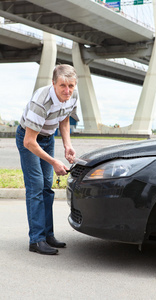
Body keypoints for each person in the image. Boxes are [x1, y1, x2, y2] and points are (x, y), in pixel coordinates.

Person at [16, 64, 78, 255]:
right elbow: (29, 141)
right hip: (29, 140)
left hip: (48, 137)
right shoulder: (41, 102)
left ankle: (48, 235)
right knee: (35, 186)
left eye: (71, 86)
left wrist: (67, 145)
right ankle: (36, 240)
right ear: (53, 84)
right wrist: (54, 161)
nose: (67, 91)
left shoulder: (72, 96)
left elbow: (65, 119)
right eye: (62, 86)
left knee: (47, 187)